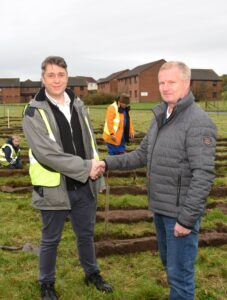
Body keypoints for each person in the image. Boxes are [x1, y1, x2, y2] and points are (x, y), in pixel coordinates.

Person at [99, 61, 216, 300]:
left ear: (186, 83)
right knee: (170, 267)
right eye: (161, 82)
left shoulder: (198, 122)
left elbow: (203, 174)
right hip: (160, 209)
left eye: (171, 82)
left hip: (180, 213)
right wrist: (106, 163)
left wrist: (186, 219)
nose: (165, 87)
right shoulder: (161, 116)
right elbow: (142, 154)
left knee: (180, 276)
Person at [23, 56, 112, 300]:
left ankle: (91, 273)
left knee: (86, 235)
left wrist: (96, 175)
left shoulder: (78, 104)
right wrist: (86, 167)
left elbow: (90, 143)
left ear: (67, 77)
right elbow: (47, 154)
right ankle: (46, 284)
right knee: (51, 239)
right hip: (54, 187)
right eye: (51, 75)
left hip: (85, 185)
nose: (56, 80)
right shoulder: (33, 112)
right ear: (43, 78)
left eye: (61, 75)